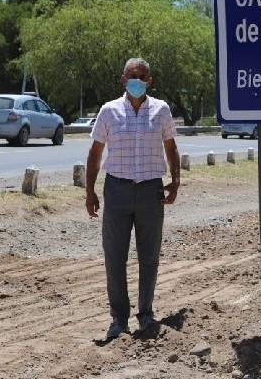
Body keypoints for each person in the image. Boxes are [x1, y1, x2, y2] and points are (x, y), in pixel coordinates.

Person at [86, 58, 181, 339]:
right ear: (123, 79)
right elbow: (95, 152)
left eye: (143, 76)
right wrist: (89, 190)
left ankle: (146, 313)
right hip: (117, 191)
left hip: (151, 191)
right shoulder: (109, 111)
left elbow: (171, 147)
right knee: (114, 256)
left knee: (149, 257)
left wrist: (175, 181)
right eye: (132, 75)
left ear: (150, 81)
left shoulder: (161, 110)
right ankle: (119, 318)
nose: (137, 80)